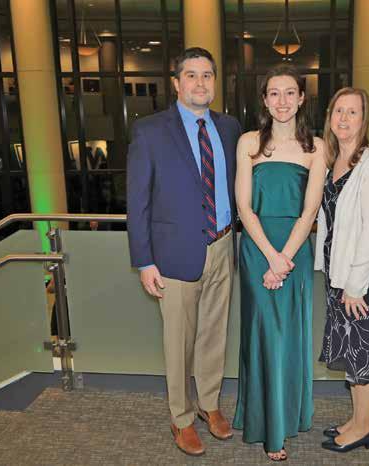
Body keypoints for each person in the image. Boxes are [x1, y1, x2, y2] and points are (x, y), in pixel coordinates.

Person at [126, 47, 242, 457]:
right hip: (174, 254)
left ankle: (209, 404)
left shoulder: (230, 128)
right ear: (176, 83)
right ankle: (181, 417)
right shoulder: (150, 131)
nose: (200, 83)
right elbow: (137, 201)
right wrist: (144, 260)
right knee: (179, 341)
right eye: (191, 75)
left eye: (207, 75)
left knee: (214, 333)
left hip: (223, 245)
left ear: (215, 82)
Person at [233, 64, 326, 461]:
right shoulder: (248, 142)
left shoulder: (317, 147)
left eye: (290, 93)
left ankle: (284, 418)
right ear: (265, 100)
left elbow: (310, 211)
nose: (282, 101)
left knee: (288, 334)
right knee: (263, 333)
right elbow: (243, 206)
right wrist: (271, 258)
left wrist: (284, 258)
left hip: (295, 250)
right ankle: (266, 426)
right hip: (257, 250)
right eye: (274, 93)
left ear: (302, 98)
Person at [316, 87, 369, 453]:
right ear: (330, 117)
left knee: (366, 355)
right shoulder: (334, 160)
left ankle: (363, 427)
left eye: (352, 112)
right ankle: (357, 419)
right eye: (339, 111)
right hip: (341, 274)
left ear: (364, 120)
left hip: (363, 281)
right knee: (352, 353)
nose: (344, 118)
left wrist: (355, 284)